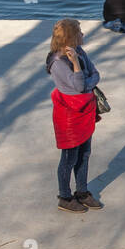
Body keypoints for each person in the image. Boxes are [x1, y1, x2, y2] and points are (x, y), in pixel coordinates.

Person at [45, 19, 103, 213]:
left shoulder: (79, 51)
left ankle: (82, 192)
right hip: (69, 116)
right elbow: (79, 86)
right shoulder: (58, 62)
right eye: (79, 32)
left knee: (84, 155)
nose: (83, 35)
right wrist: (77, 65)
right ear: (70, 36)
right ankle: (64, 196)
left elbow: (95, 74)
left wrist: (86, 80)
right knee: (69, 158)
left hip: (85, 110)